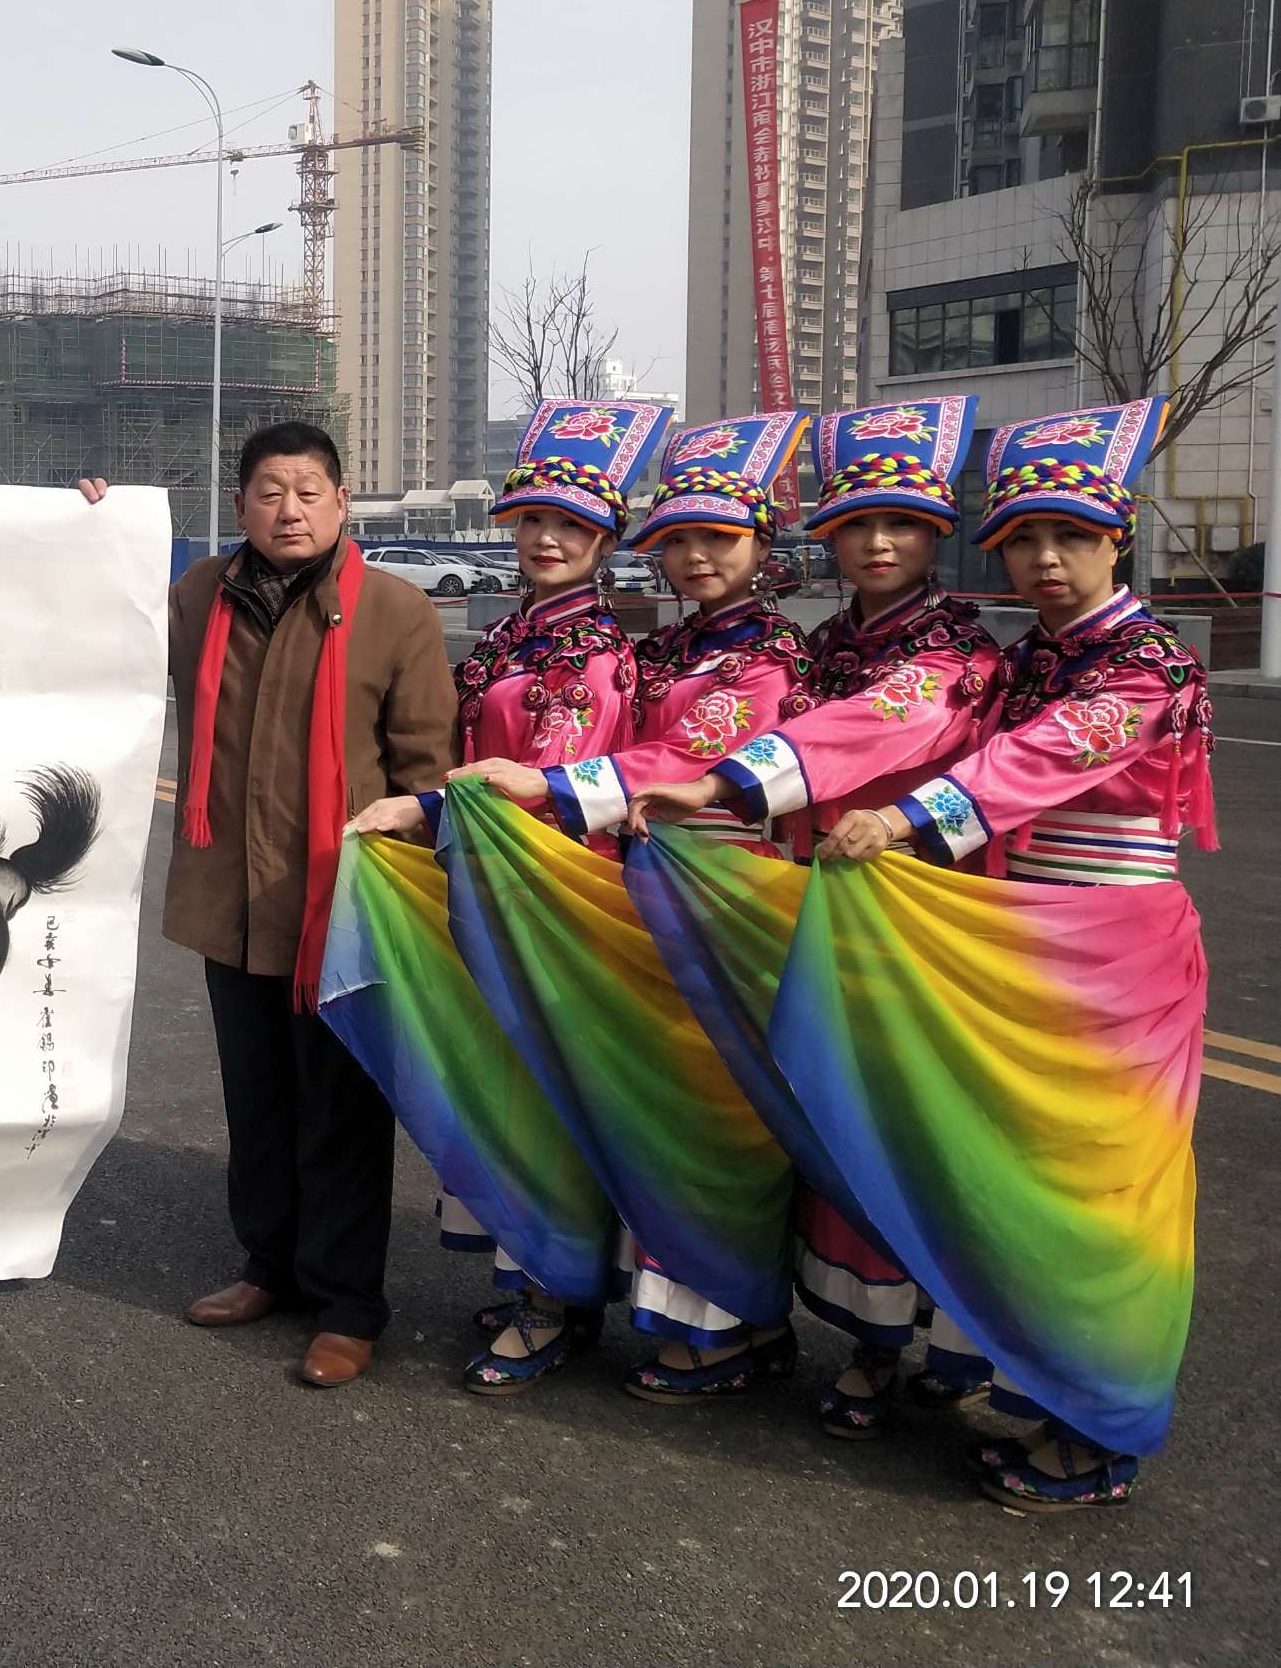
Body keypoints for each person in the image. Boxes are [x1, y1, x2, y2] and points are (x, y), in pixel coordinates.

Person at [814, 398, 1213, 1512]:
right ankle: (1015, 1381)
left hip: (1114, 950)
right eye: (1023, 539)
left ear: (1115, 539)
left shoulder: (1146, 664)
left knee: (1093, 1193)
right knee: (1001, 1177)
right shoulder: (1025, 656)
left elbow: (1035, 761)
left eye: (1069, 537)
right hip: (1012, 935)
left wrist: (903, 819)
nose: (1044, 560)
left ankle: (1096, 1430)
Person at [626, 395, 1006, 1434]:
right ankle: (828, 1330)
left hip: (906, 914)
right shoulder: (818, 644)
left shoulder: (959, 653)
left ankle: (897, 1346)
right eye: (855, 524)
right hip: (802, 903)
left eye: (901, 524)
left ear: (936, 534)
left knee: (893, 1130)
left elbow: (869, 730)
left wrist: (718, 783)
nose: (877, 543)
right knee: (808, 1122)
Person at [445, 411, 813, 1402]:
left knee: (690, 1116)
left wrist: (491, 799)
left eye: (718, 538)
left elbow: (669, 758)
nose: (695, 558)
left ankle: (709, 1319)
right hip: (621, 891)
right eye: (679, 539)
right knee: (589, 1102)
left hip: (702, 898)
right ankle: (568, 1285)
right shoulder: (640, 646)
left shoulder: (744, 655)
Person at [351, 395, 671, 1394]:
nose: (545, 538)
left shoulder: (591, 655)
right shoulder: (514, 636)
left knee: (540, 1098)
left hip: (551, 900)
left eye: (569, 524)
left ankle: (553, 1297)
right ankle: (540, 1277)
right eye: (532, 519)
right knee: (511, 1089)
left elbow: (535, 790)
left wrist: (421, 808)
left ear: (604, 540)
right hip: (495, 888)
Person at [152, 420, 454, 1390]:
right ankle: (267, 1266)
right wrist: (94, 524)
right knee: (255, 1101)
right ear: (238, 505)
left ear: (342, 501)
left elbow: (425, 766)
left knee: (342, 1112)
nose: (290, 509)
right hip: (230, 903)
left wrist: (405, 885)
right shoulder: (196, 597)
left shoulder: (394, 611)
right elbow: (82, 619)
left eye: (309, 490)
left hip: (344, 904)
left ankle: (348, 1303)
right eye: (269, 491)